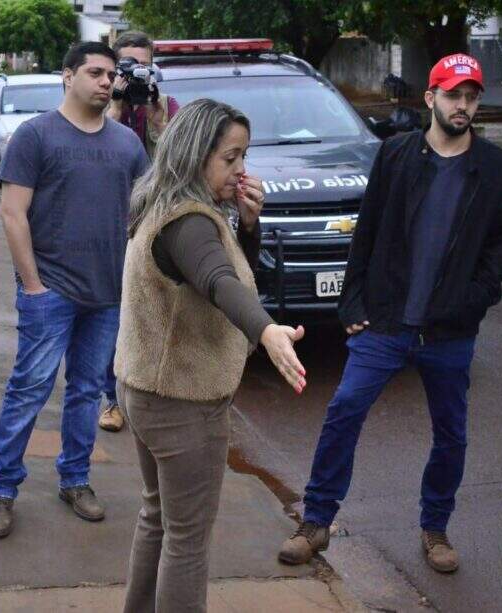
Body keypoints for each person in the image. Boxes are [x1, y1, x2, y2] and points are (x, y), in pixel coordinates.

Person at [278, 53, 502, 573]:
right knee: (344, 408)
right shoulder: (396, 155)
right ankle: (316, 521)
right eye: (453, 94)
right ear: (430, 98)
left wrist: (478, 295)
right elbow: (366, 230)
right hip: (387, 321)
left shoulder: (497, 169)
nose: (463, 105)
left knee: (451, 432)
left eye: (471, 96)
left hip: (449, 331)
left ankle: (435, 528)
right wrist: (351, 300)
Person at [117, 99, 307, 612]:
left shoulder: (162, 203)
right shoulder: (189, 223)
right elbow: (219, 281)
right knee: (188, 540)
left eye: (244, 156)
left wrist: (247, 225)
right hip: (181, 403)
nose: (242, 169)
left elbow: (223, 271)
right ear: (195, 154)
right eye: (230, 157)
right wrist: (267, 332)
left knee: (158, 517)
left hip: (144, 390)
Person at [0, 42, 149, 539]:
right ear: (67, 75)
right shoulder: (36, 137)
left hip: (106, 296)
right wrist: (33, 285)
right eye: (94, 72)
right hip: (50, 293)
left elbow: (143, 215)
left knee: (84, 394)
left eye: (110, 74)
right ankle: (3, 490)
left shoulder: (127, 145)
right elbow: (12, 213)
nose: (105, 81)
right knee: (28, 390)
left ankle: (75, 480)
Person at [99, 30, 180, 434]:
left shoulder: (167, 106)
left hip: (150, 225)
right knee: (110, 316)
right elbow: (92, 156)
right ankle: (111, 400)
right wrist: (114, 105)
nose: (134, 75)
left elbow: (176, 170)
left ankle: (146, 392)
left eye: (141, 66)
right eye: (126, 66)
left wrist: (159, 123)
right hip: (108, 225)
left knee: (148, 312)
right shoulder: (99, 103)